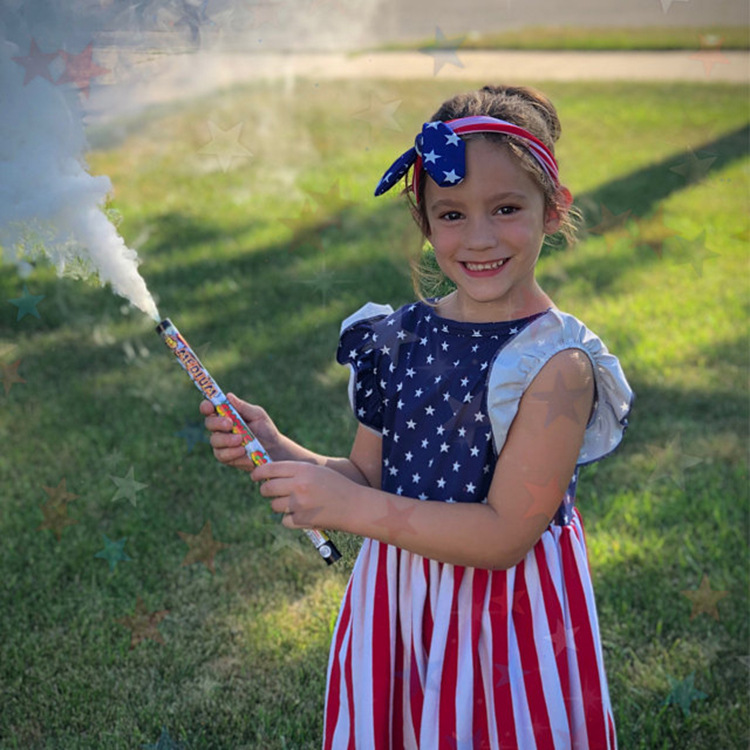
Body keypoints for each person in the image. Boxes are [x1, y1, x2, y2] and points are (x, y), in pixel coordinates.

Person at [201, 84, 633, 749]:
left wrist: (345, 509)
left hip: (505, 624)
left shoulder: (557, 365)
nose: (480, 236)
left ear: (554, 211)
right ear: (423, 221)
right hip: (399, 606)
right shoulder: (395, 338)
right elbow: (366, 476)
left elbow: (502, 537)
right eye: (452, 214)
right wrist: (277, 446)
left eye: (507, 208)